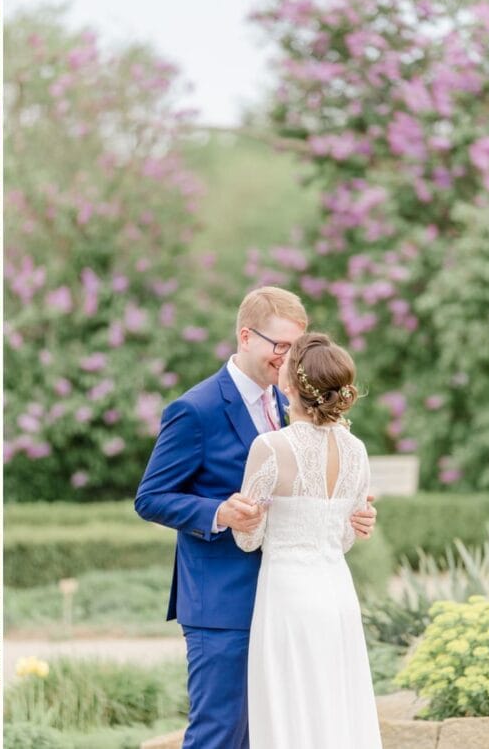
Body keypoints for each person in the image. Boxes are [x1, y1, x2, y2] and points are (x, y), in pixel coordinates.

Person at [134, 287, 377, 749]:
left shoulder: (293, 410)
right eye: (280, 346)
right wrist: (218, 512)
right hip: (223, 602)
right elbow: (150, 496)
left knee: (277, 732)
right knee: (221, 734)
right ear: (246, 336)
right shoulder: (196, 409)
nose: (288, 359)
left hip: (287, 602)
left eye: (296, 348)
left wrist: (350, 516)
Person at [233, 332, 381, 748]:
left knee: (290, 710)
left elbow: (249, 540)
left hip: (287, 597)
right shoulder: (357, 450)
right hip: (337, 592)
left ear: (289, 385)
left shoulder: (270, 448)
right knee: (337, 706)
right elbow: (348, 536)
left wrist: (242, 517)